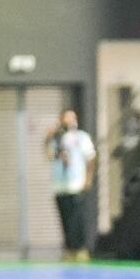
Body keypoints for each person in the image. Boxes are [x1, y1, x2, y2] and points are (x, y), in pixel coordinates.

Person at [45, 109, 97, 262]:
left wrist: (88, 179)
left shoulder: (81, 137)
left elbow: (91, 157)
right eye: (66, 118)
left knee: (77, 219)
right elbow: (48, 155)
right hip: (60, 185)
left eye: (72, 117)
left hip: (76, 184)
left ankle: (81, 249)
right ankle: (69, 249)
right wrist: (47, 137)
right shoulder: (56, 138)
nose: (69, 120)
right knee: (65, 219)